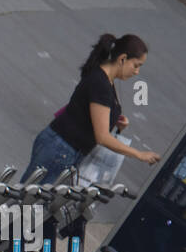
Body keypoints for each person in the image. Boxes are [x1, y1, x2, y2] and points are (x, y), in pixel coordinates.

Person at [21, 33, 162, 183]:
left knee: (30, 201)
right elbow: (102, 137)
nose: (136, 72)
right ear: (122, 59)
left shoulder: (106, 80)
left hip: (63, 149)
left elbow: (90, 116)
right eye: (136, 65)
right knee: (26, 203)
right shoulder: (101, 84)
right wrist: (139, 154)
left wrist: (116, 123)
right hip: (61, 149)